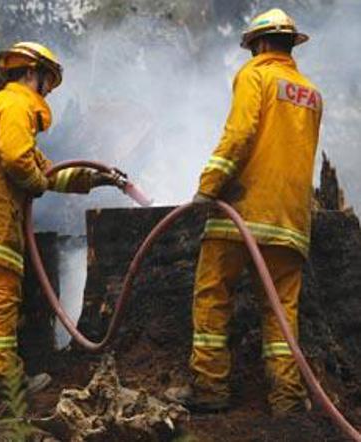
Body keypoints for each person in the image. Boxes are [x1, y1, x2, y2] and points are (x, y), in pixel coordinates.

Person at [0, 42, 126, 399]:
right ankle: (5, 385)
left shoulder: (2, 104)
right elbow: (20, 162)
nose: (48, 91)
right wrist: (35, 184)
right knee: (0, 303)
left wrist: (91, 179)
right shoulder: (17, 104)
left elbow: (43, 171)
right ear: (31, 72)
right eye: (47, 81)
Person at [173, 8, 322, 416]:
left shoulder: (255, 74)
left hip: (241, 212)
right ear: (291, 44)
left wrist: (208, 187)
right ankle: (287, 400)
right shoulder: (311, 92)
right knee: (280, 315)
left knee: (212, 296)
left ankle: (209, 389)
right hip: (291, 223)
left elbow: (239, 134)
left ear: (256, 44)